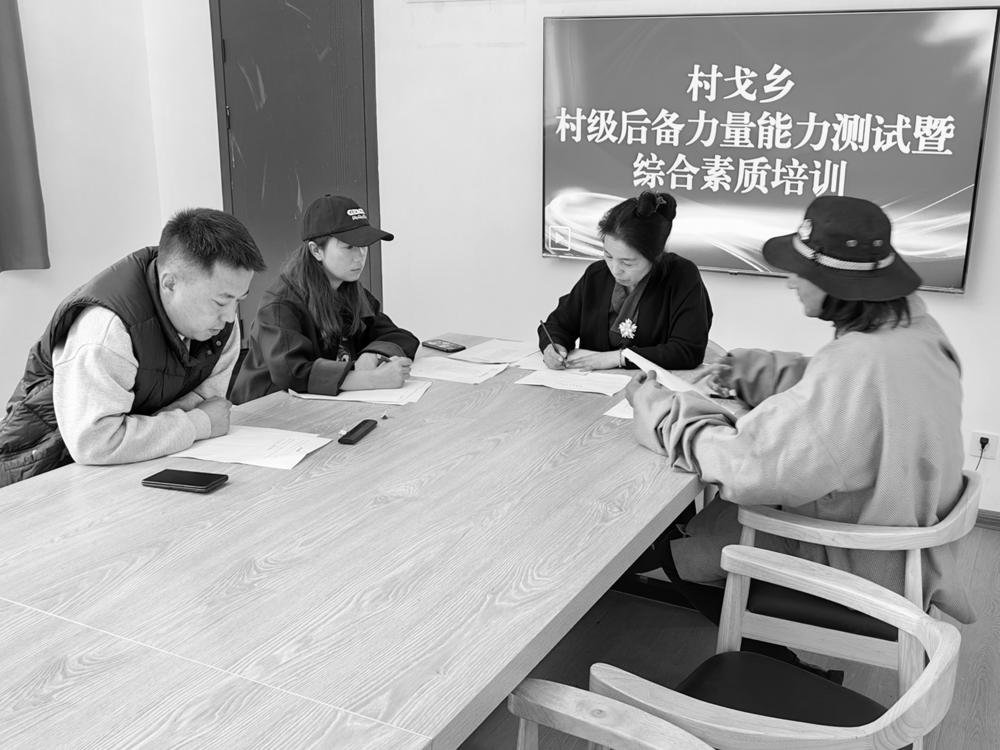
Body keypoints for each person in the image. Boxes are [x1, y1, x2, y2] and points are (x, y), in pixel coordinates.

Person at [626, 195, 974, 624]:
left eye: (801, 270)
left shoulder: (857, 364)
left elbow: (747, 467)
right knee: (707, 522)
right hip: (901, 539)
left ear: (833, 281)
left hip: (861, 561)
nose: (791, 282)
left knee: (672, 545)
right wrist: (756, 371)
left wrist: (660, 410)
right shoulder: (915, 332)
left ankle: (763, 651)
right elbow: (846, 392)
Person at [0, 208, 266, 487]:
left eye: (239, 299)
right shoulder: (107, 330)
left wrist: (174, 426)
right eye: (221, 302)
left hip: (131, 467)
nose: (230, 317)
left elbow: (209, 405)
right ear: (170, 283)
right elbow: (94, 443)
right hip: (41, 472)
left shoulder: (219, 326)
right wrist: (196, 424)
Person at [231, 194, 417, 403]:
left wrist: (371, 355)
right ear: (316, 250)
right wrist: (372, 379)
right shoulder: (280, 304)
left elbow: (400, 336)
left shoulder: (350, 291)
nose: (360, 256)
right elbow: (293, 373)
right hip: (265, 410)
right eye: (349, 246)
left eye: (364, 245)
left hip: (320, 404)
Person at [538, 191, 712, 372]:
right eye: (608, 256)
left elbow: (687, 351)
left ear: (656, 256)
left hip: (650, 385)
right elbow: (558, 324)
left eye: (627, 263)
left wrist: (620, 358)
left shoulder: (682, 276)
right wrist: (553, 346)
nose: (615, 269)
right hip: (591, 384)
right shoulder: (597, 274)